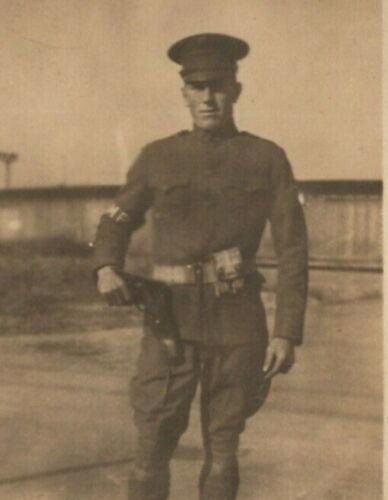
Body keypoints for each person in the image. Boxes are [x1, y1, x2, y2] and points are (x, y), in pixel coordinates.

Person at [92, 33, 308, 500]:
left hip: (238, 324)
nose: (208, 97)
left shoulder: (266, 158)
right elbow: (116, 219)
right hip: (170, 321)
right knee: (152, 444)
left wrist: (286, 331)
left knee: (224, 448)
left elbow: (293, 249)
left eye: (218, 85)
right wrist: (106, 266)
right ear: (184, 93)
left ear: (236, 89)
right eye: (198, 86)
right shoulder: (157, 156)